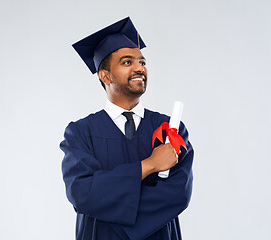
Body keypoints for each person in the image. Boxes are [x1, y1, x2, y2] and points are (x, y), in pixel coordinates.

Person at [60, 17, 194, 240]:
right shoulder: (80, 133)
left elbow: (177, 194)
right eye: (127, 62)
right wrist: (150, 165)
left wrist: (108, 207)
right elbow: (82, 194)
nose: (139, 68)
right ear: (105, 75)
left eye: (142, 62)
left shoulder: (170, 128)